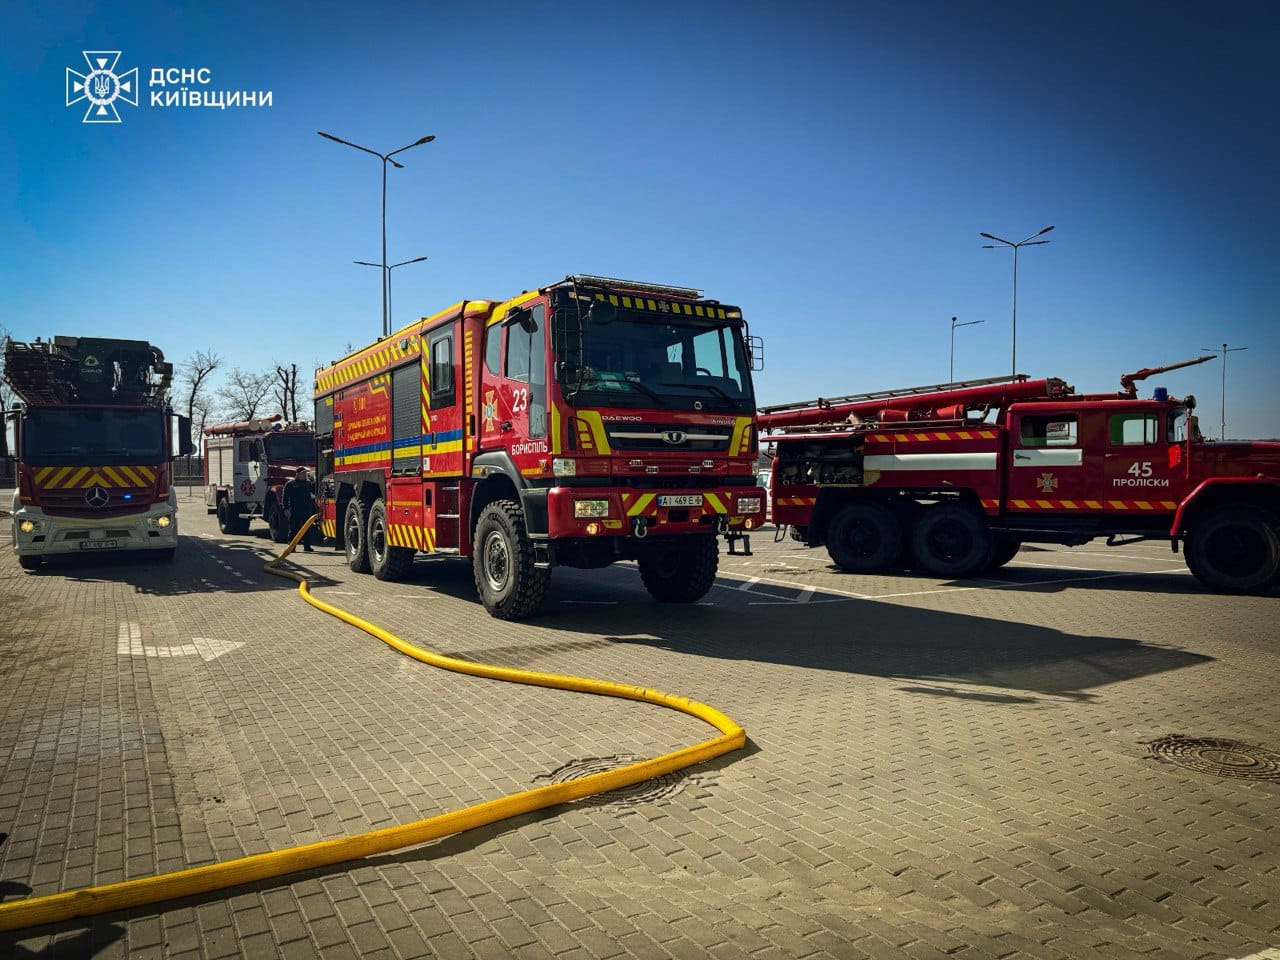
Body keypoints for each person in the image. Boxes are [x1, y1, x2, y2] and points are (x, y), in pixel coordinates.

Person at [282, 467, 316, 551]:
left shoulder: (308, 484)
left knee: (307, 528)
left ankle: (307, 546)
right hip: (294, 509)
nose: (305, 475)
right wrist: (285, 508)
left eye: (305, 473)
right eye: (303, 473)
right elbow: (285, 497)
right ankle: (292, 546)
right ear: (297, 474)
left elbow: (314, 493)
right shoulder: (291, 484)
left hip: (306, 509)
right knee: (294, 528)